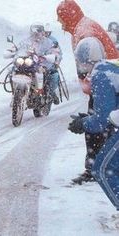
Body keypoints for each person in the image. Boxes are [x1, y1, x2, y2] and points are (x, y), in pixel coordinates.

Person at [57, 0, 119, 185]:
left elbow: (92, 58)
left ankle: (98, 168)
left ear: (68, 16)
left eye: (61, 18)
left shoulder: (86, 32)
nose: (60, 23)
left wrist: (85, 123)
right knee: (104, 123)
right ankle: (99, 166)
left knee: (100, 125)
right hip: (106, 82)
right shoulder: (81, 26)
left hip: (105, 83)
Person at [69, 37, 119, 210]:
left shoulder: (100, 75)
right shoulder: (109, 67)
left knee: (102, 169)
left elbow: (103, 120)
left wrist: (83, 124)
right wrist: (88, 118)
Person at [18, 23, 62, 105]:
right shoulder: (26, 41)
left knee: (52, 75)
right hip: (30, 63)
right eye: (33, 32)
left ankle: (50, 93)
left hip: (44, 64)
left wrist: (52, 59)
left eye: (38, 32)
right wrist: (15, 52)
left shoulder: (49, 42)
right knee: (14, 69)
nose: (36, 34)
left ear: (42, 32)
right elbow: (19, 48)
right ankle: (16, 93)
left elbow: (56, 53)